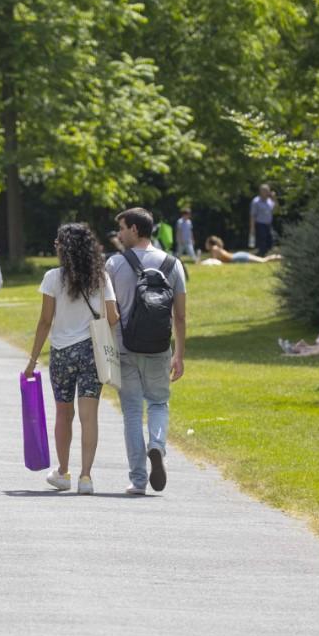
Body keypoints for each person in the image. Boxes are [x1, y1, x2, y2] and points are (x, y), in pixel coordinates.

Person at [23, 223, 118, 495]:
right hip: (91, 351)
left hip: (62, 353)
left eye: (58, 242)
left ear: (65, 248)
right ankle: (86, 476)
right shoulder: (101, 278)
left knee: (63, 414)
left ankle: (63, 471)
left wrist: (32, 360)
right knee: (90, 416)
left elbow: (44, 321)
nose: (55, 245)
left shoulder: (53, 278)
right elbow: (113, 318)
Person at [108, 208, 187, 495]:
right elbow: (180, 316)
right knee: (157, 403)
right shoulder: (173, 264)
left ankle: (138, 480)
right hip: (158, 347)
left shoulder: (115, 264)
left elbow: (108, 312)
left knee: (131, 411)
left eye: (122, 228)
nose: (119, 234)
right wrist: (178, 354)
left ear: (135, 230)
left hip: (125, 348)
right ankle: (157, 445)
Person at [203, 235, 280, 264]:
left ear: (210, 243)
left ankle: (281, 257)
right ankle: (280, 257)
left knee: (263, 261)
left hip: (237, 258)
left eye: (206, 243)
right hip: (237, 255)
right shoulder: (216, 248)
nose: (205, 245)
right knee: (263, 260)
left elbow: (214, 262)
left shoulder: (214, 249)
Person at [249, 183, 279, 256]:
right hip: (260, 224)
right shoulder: (255, 201)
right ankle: (261, 255)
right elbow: (252, 215)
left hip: (268, 224)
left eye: (268, 191)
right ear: (260, 192)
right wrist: (252, 228)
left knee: (271, 239)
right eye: (265, 191)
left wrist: (274, 199)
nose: (267, 192)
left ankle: (266, 253)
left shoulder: (270, 201)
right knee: (262, 240)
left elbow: (276, 210)